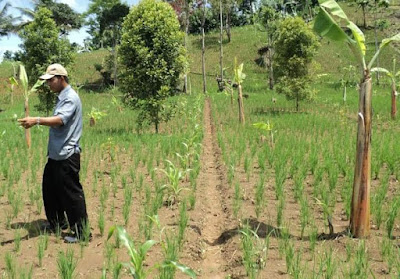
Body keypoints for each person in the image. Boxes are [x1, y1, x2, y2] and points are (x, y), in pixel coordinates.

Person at [18, 63, 90, 243]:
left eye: (51, 80)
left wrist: (36, 120)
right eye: (47, 81)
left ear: (61, 79)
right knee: (50, 189)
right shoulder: (62, 97)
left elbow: (60, 120)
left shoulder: (70, 98)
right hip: (56, 154)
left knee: (71, 194)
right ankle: (58, 223)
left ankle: (82, 233)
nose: (48, 84)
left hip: (67, 154)